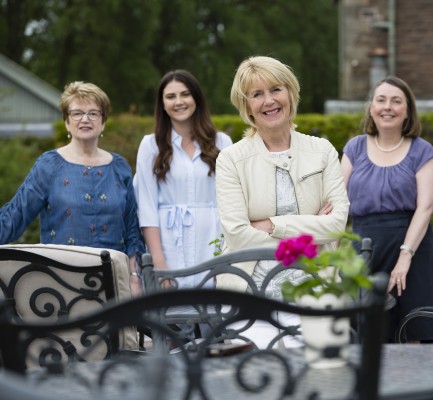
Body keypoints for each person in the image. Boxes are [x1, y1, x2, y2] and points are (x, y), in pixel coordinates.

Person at [216, 55, 349, 348]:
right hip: (249, 294)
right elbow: (237, 235)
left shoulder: (322, 150)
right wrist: (312, 229)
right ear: (246, 105)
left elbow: (337, 223)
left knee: (317, 383)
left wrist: (272, 225)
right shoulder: (231, 160)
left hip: (316, 290)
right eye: (257, 94)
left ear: (290, 92)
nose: (269, 101)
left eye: (276, 89)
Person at [0, 81, 145, 295]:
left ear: (103, 122)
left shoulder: (120, 167)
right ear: (67, 122)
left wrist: (135, 277)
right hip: (61, 283)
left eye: (93, 113)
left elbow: (132, 229)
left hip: (116, 280)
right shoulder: (49, 166)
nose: (85, 119)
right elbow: (15, 216)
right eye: (77, 113)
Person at [341, 76, 433, 344]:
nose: (388, 107)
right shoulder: (354, 148)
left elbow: (426, 207)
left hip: (412, 250)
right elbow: (337, 201)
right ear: (371, 107)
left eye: (396, 101)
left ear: (407, 111)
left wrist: (405, 256)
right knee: (367, 334)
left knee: (414, 335)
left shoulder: (421, 150)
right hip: (364, 251)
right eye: (381, 100)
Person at [134, 70, 232, 293]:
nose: (179, 102)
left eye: (185, 94)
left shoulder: (222, 142)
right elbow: (147, 207)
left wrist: (227, 258)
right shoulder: (151, 146)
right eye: (170, 96)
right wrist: (159, 263)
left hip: (212, 240)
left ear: (196, 98)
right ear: (162, 103)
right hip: (168, 246)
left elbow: (231, 202)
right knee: (173, 319)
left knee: (216, 318)